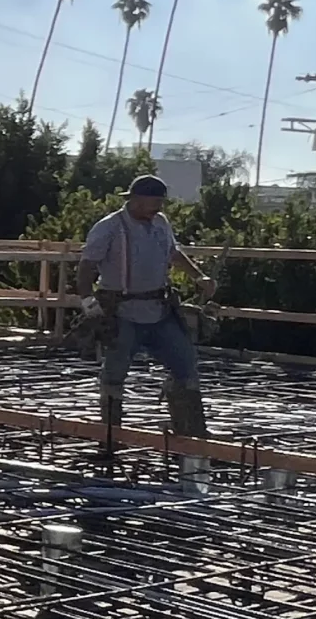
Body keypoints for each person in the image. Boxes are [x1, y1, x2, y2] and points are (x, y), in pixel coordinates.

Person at [73, 173, 215, 448]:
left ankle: (190, 432)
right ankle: (110, 434)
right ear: (136, 200)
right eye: (154, 202)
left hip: (159, 309)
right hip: (123, 310)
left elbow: (174, 253)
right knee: (115, 372)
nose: (158, 207)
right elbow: (87, 265)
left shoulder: (161, 224)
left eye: (160, 202)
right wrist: (88, 300)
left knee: (185, 363)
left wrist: (199, 277)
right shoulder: (109, 228)